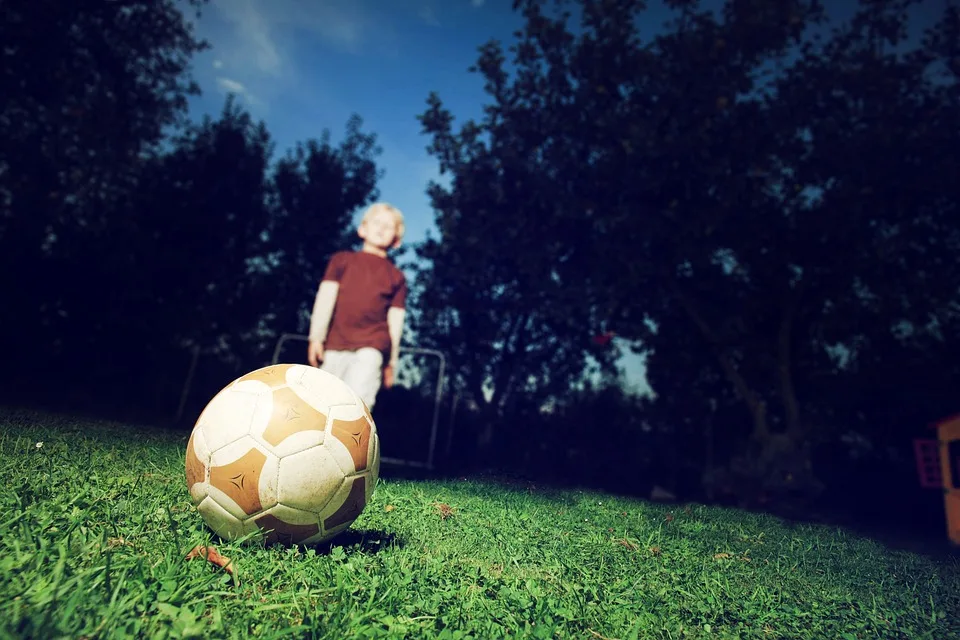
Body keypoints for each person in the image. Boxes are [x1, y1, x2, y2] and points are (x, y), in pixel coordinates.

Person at [306, 202, 407, 412]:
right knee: (321, 406)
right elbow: (325, 300)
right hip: (335, 345)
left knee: (355, 408)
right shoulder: (341, 261)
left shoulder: (396, 277)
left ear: (396, 240)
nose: (381, 228)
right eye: (376, 222)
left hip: (372, 346)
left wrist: (391, 363)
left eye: (388, 226)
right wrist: (316, 337)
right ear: (362, 229)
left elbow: (395, 323)